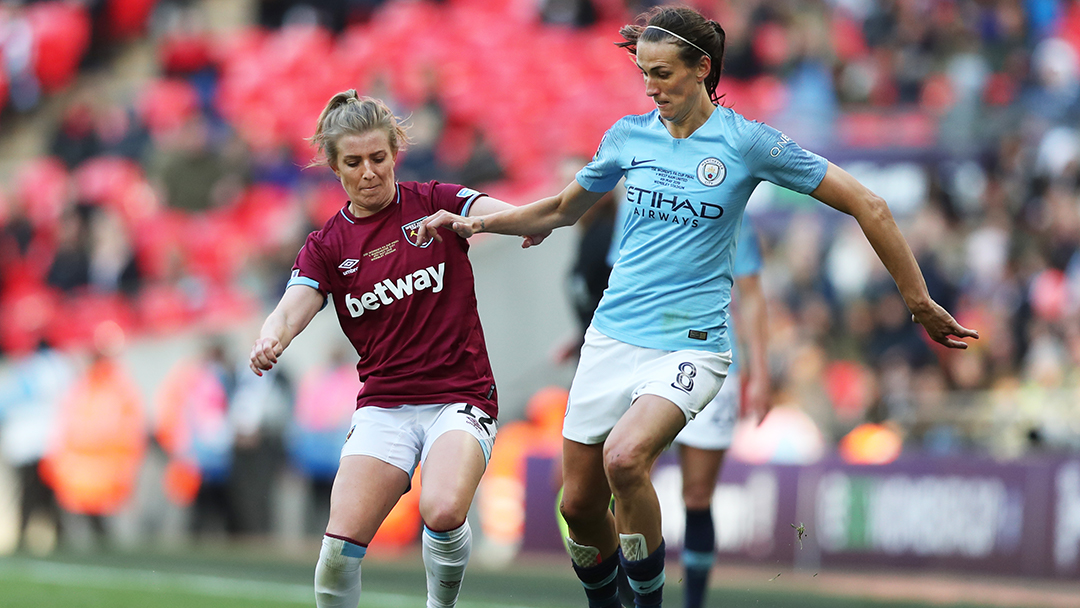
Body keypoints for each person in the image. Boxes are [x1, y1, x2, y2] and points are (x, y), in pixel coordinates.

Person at [416, 5, 978, 607]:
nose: (652, 86)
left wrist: (917, 300)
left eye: (662, 73)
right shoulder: (627, 137)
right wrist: (475, 223)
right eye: (644, 74)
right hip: (611, 338)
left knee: (625, 459)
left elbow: (869, 204)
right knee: (578, 506)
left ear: (702, 68)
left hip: (690, 345)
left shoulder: (747, 143)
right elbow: (559, 210)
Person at [247, 90, 546, 608]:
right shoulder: (327, 246)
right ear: (334, 168)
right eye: (354, 162)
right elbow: (294, 303)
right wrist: (271, 336)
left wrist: (486, 222)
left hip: (461, 395)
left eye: (378, 158)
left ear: (395, 152)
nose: (369, 172)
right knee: (338, 551)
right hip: (385, 406)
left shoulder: (435, 200)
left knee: (444, 509)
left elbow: (519, 216)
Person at [671, 216, 768, 608]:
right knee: (624, 473)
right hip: (646, 349)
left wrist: (760, 374)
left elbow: (752, 295)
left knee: (697, 495)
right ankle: (628, 596)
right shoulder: (645, 197)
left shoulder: (734, 212)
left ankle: (693, 603)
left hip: (714, 360)